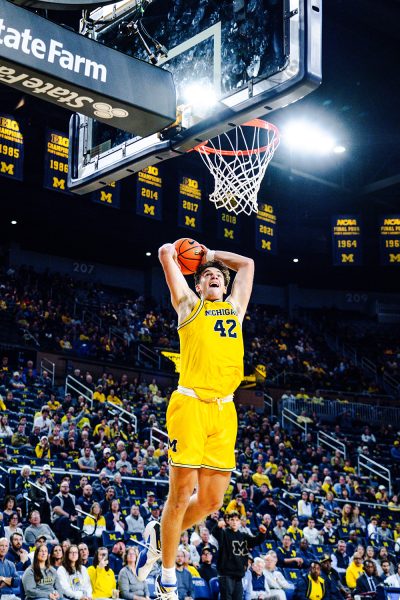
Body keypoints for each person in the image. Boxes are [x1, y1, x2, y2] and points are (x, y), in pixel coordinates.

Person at [136, 243, 254, 600]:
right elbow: (163, 254)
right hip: (190, 404)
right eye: (207, 276)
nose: (214, 276)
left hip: (225, 409)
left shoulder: (234, 309)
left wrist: (212, 255)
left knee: (212, 502)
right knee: (180, 495)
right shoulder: (190, 305)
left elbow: (247, 264)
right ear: (198, 285)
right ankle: (167, 579)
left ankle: (158, 537)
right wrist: (177, 252)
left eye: (218, 275)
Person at [212, 511, 267, 600]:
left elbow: (255, 541)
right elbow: (215, 532)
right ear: (228, 521)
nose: (234, 522)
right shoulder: (224, 533)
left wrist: (262, 534)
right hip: (226, 574)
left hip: (239, 574)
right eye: (232, 520)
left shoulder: (243, 535)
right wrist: (218, 526)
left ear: (239, 522)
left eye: (237, 520)